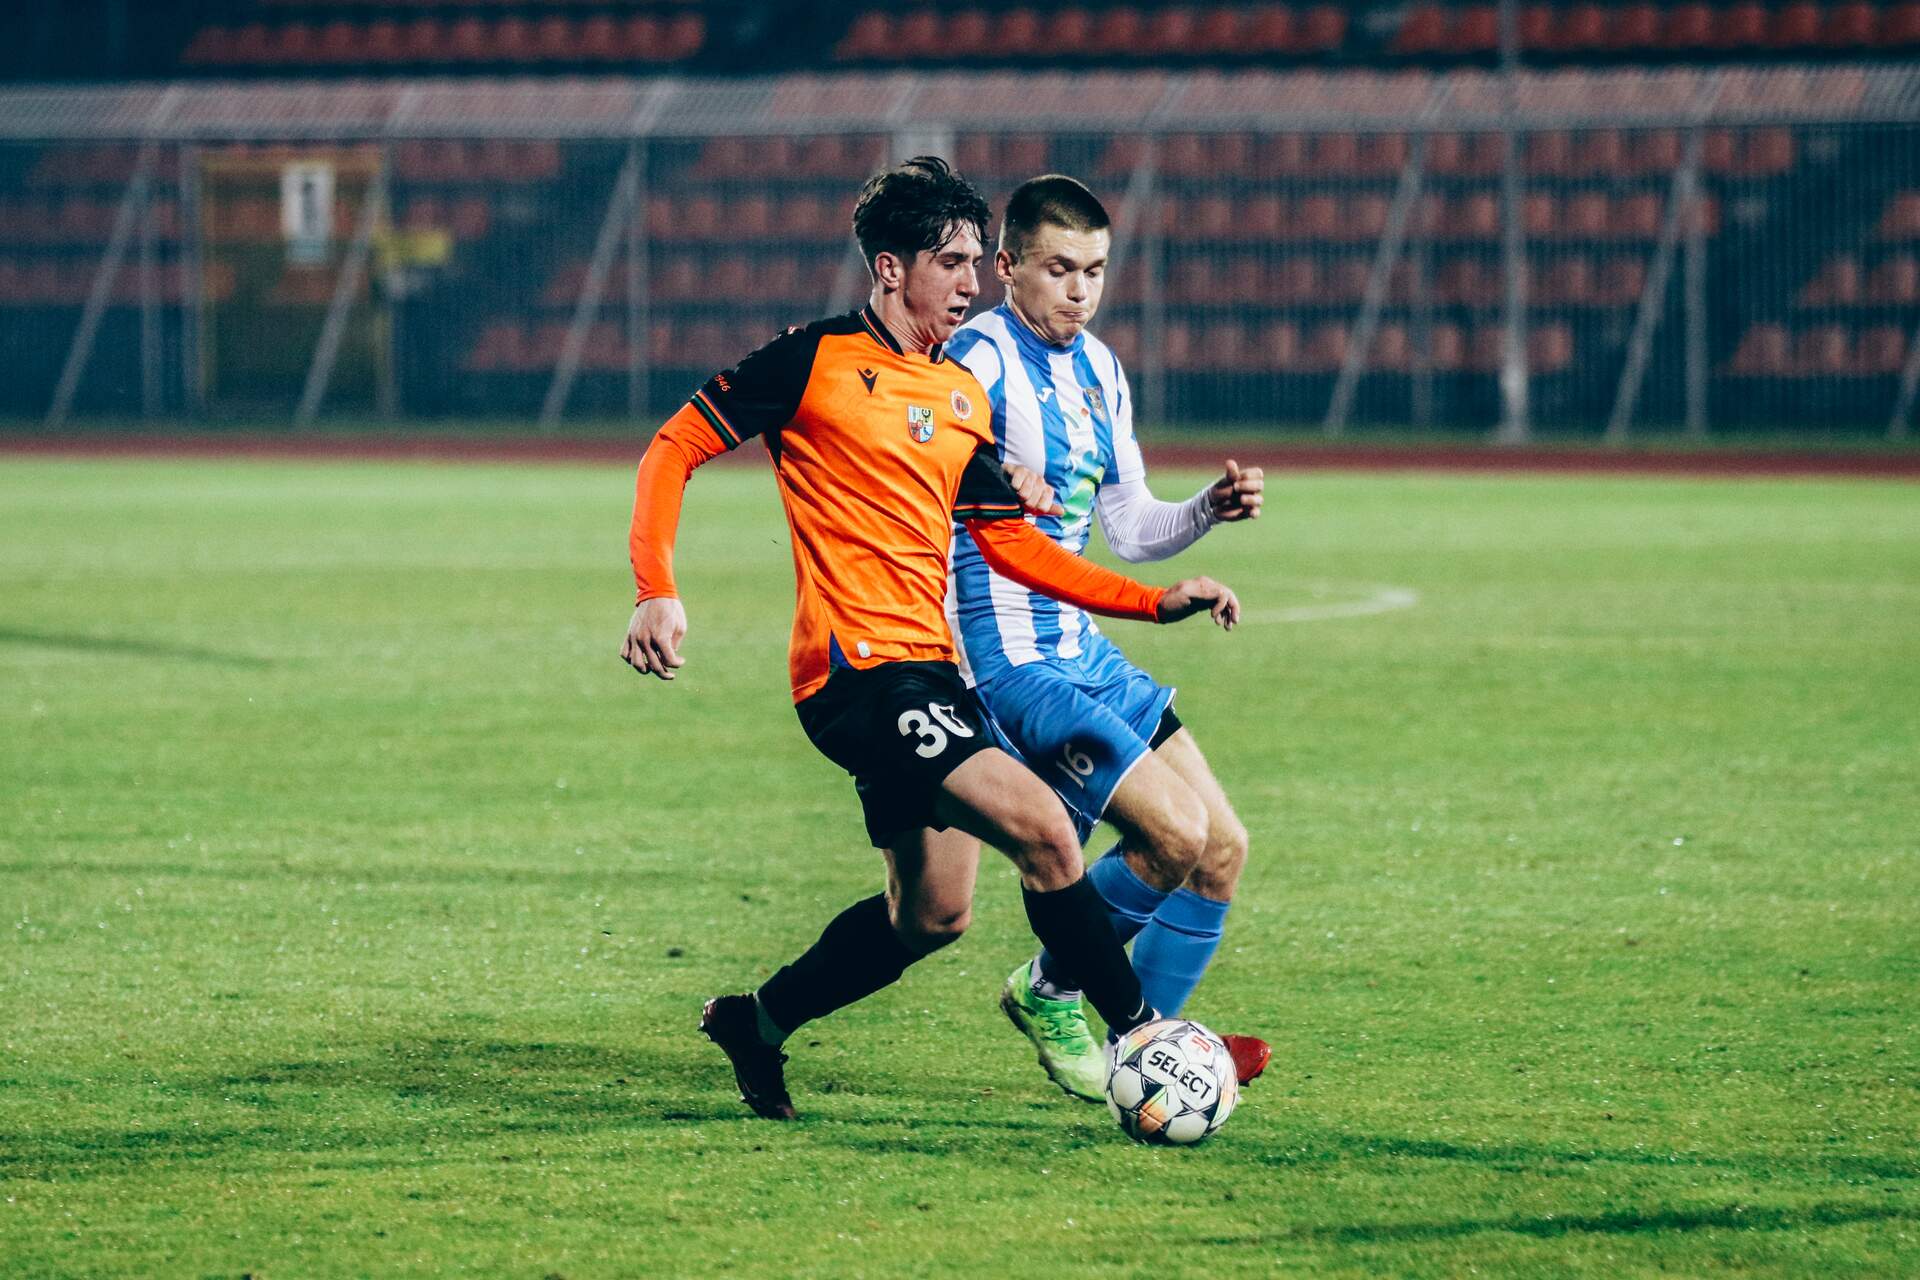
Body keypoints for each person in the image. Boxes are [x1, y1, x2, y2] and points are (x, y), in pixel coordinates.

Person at [622, 157, 1242, 1120]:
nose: (968, 283)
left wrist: (1150, 602)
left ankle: (758, 1021)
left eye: (973, 262)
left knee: (932, 915)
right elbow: (676, 446)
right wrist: (656, 590)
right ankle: (1142, 1036)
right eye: (949, 263)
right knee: (1047, 832)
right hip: (857, 674)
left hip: (934, 675)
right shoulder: (813, 360)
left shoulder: (959, 396)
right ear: (889, 269)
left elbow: (1013, 546)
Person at [943, 174, 1270, 1104]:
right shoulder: (971, 362)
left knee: (1221, 850)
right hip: (1008, 659)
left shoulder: (1100, 370)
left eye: (1093, 271)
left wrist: (1205, 510)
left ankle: (1146, 1058)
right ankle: (1053, 993)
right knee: (1173, 833)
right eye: (1059, 269)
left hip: (1081, 646)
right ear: (1008, 267)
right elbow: (920, 499)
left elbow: (1125, 524)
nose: (1080, 291)